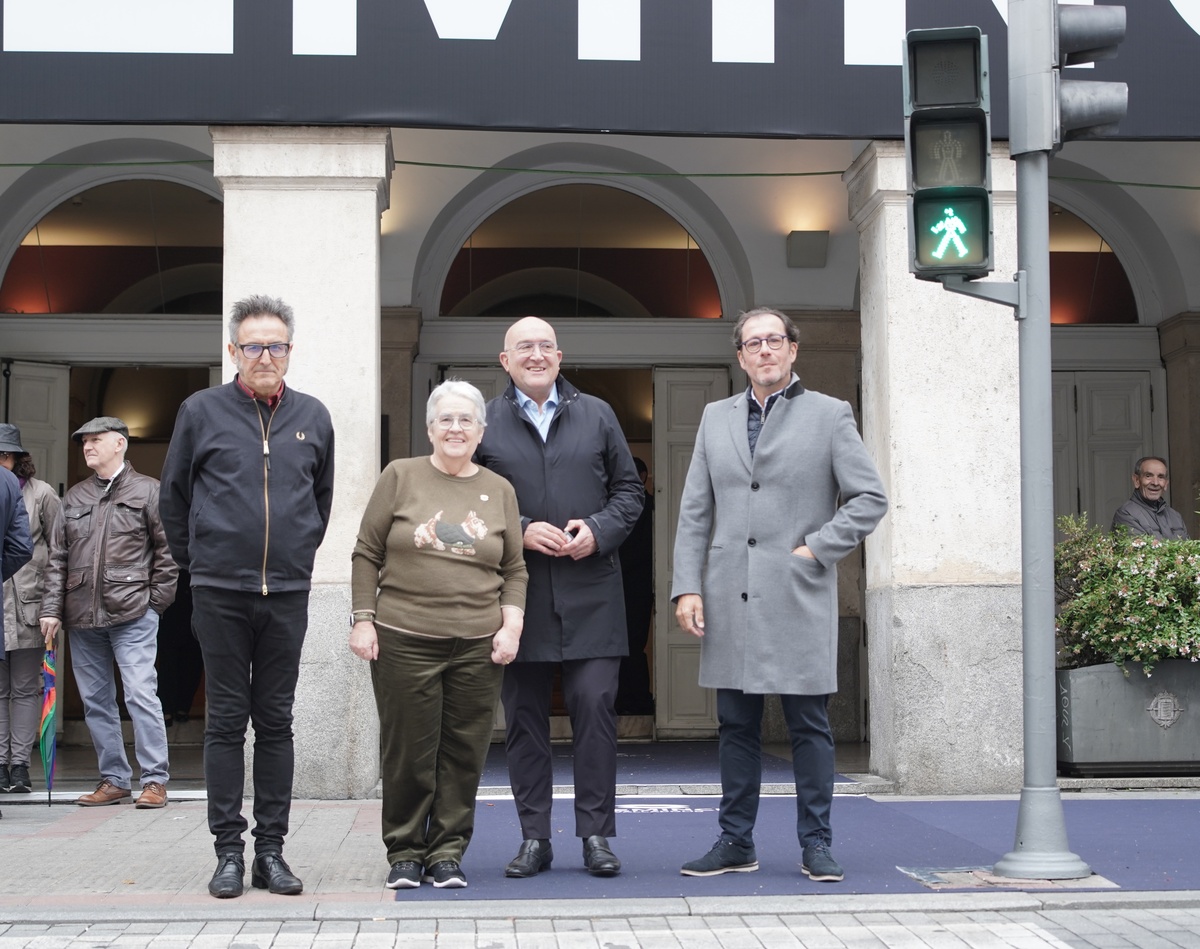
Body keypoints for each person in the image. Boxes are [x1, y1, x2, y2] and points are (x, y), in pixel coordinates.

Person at [672, 307, 887, 883]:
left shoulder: (829, 414)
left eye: (774, 340)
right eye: (753, 343)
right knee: (735, 726)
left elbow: (869, 498)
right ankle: (735, 841)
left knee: (809, 725)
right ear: (740, 356)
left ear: (793, 350)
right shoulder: (715, 418)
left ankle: (816, 842)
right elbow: (695, 509)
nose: (764, 350)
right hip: (728, 592)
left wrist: (817, 548)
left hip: (796, 591)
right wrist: (687, 586)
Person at [159, 294, 334, 900]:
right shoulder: (201, 411)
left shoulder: (313, 414)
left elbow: (321, 500)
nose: (266, 355)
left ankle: (271, 852)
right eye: (254, 345)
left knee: (277, 722)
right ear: (234, 350)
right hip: (219, 592)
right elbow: (173, 498)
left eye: (276, 345)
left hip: (286, 592)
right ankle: (228, 852)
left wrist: (300, 555)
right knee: (226, 723)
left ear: (290, 351)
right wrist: (199, 562)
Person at [474, 316, 643, 879]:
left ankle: (596, 835)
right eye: (525, 347)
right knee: (523, 718)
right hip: (515, 598)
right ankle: (534, 837)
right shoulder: (484, 421)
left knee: (595, 709)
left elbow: (629, 491)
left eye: (546, 345)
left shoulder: (596, 413)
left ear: (560, 356)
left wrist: (598, 528)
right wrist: (517, 526)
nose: (537, 354)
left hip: (592, 590)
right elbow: (467, 499)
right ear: (505, 361)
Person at [349, 380, 527, 890]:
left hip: (478, 643)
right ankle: (405, 851)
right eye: (445, 420)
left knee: (464, 751)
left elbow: (514, 569)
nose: (455, 428)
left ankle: (447, 851)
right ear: (430, 428)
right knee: (408, 751)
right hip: (404, 636)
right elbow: (367, 553)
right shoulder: (400, 476)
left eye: (465, 420)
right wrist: (363, 618)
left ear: (480, 431)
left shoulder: (500, 489)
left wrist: (510, 625)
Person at [40, 417, 178, 810]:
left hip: (133, 612)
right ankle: (114, 779)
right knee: (96, 701)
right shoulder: (76, 497)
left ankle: (154, 780)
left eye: (96, 440)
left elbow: (169, 555)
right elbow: (57, 560)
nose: (87, 447)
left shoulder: (150, 491)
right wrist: (51, 609)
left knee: (139, 694)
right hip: (81, 615)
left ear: (120, 443)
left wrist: (155, 605)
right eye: (84, 442)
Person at [1, 424, 62, 794]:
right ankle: (0, 762)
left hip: (28, 604)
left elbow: (60, 551)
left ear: (20, 458)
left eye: (6, 455)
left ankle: (19, 765)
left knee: (25, 687)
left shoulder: (42, 494)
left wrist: (52, 604)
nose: (1, 462)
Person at [615, 456, 655, 716]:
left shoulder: (653, 506)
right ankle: (628, 701)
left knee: (633, 644)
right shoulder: (613, 506)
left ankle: (636, 702)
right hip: (619, 584)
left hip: (638, 584)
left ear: (642, 477)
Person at [1111, 456, 1189, 540]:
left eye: (1160, 477)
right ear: (1137, 480)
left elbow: (1190, 550)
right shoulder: (1126, 514)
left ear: (1166, 483)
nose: (1155, 483)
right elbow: (1139, 551)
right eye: (1148, 476)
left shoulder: (1175, 516)